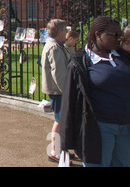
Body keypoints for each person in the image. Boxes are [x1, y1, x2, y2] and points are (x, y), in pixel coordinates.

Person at [60, 16, 130, 167]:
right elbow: (69, 101)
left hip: (125, 127)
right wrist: (65, 139)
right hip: (99, 128)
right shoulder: (81, 62)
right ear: (98, 35)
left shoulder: (122, 56)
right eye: (114, 35)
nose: (119, 38)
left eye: (120, 34)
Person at [40, 19, 69, 163]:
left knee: (61, 119)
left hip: (57, 90)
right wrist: (67, 91)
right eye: (65, 30)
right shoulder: (55, 48)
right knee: (59, 120)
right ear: (59, 32)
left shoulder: (56, 45)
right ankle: (55, 151)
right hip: (59, 91)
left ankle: (61, 148)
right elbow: (58, 74)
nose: (67, 33)